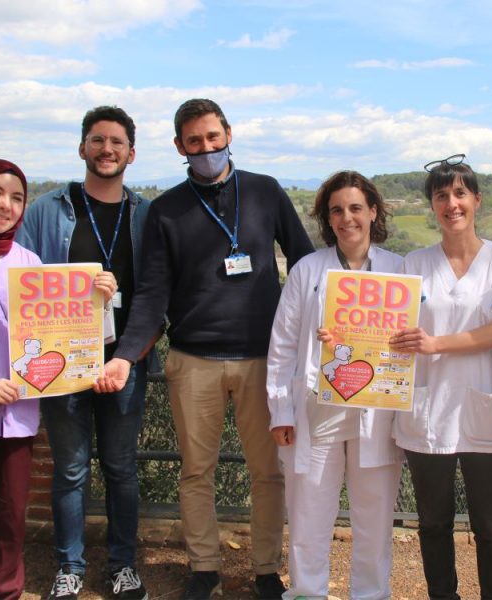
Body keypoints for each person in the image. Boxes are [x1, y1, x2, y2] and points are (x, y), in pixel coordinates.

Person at [96, 98, 314, 599]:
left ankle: (266, 569)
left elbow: (305, 265)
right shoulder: (166, 210)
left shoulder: (265, 191)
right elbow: (152, 292)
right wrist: (125, 355)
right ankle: (204, 568)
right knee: (196, 472)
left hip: (265, 361)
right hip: (193, 361)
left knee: (268, 474)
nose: (206, 147)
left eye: (213, 137)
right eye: (194, 141)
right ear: (180, 146)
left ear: (229, 134)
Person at [16, 106, 153, 600]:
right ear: (82, 148)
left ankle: (123, 566)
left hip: (123, 362)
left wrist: (129, 357)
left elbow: (156, 295)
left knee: (121, 467)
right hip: (62, 365)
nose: (106, 149)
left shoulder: (146, 216)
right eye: (97, 140)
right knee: (70, 470)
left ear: (131, 154)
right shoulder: (46, 210)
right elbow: (19, 281)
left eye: (117, 142)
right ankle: (69, 567)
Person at [390, 155, 492, 600]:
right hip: (429, 410)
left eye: (459, 193)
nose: (451, 203)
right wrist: (339, 336)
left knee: (491, 524)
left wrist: (436, 343)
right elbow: (388, 329)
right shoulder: (414, 263)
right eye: (441, 196)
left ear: (477, 199)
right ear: (432, 205)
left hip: (484, 409)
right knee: (433, 522)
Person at [267, 170, 404, 599]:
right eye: (337, 210)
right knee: (308, 514)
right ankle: (307, 593)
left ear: (373, 212)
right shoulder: (307, 270)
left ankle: (371, 594)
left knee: (375, 518)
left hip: (377, 413)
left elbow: (412, 342)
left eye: (356, 208)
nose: (347, 218)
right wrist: (280, 411)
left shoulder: (399, 270)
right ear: (328, 219)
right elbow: (283, 346)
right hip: (317, 411)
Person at [0, 159, 42, 599]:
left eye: (16, 197)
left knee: (11, 513)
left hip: (18, 415)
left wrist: (98, 299)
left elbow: (53, 336)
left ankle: (7, 589)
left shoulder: (30, 265)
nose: (4, 205)